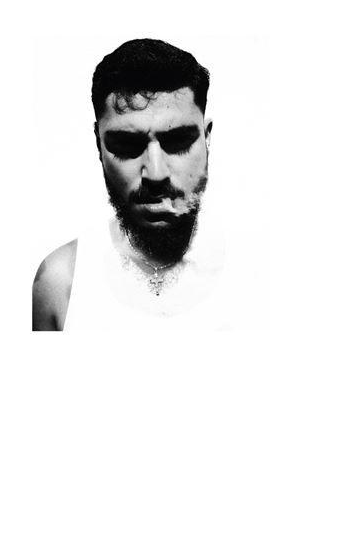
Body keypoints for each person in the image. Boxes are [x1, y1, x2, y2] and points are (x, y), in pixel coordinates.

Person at [32, 38, 229, 330]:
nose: (156, 173)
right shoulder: (61, 282)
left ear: (207, 138)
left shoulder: (261, 273)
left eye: (177, 142)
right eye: (127, 145)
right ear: (99, 145)